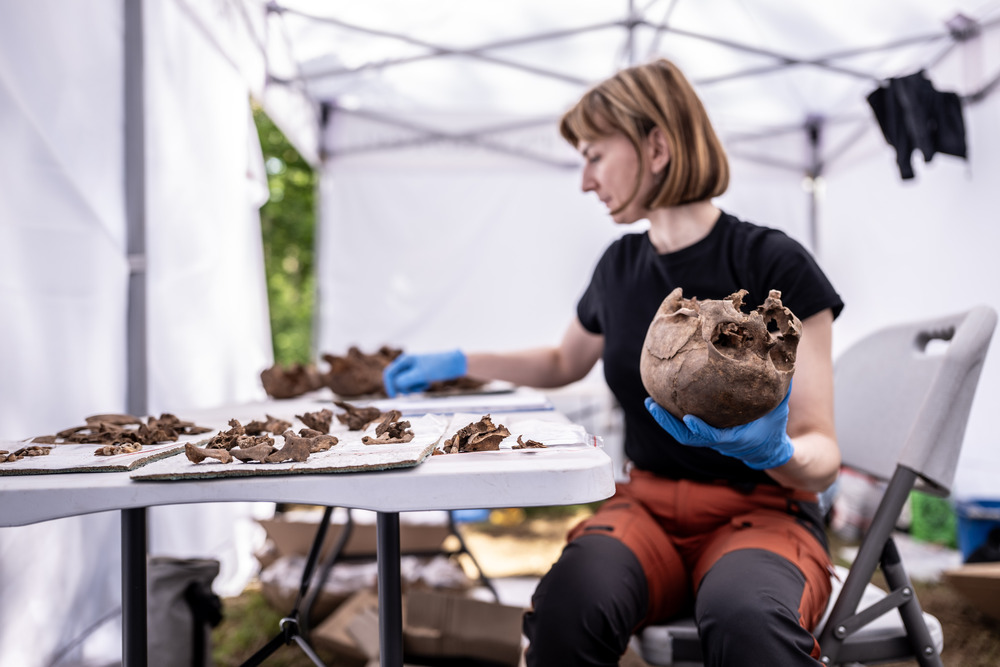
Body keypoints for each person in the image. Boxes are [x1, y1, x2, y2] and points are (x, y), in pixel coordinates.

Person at [383, 58, 843, 667]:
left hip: (760, 512)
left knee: (747, 618)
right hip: (646, 509)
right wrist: (461, 359)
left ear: (656, 147)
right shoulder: (620, 266)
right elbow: (561, 359)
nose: (585, 180)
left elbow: (823, 454)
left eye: (594, 155)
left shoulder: (775, 265)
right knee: (570, 605)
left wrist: (777, 453)